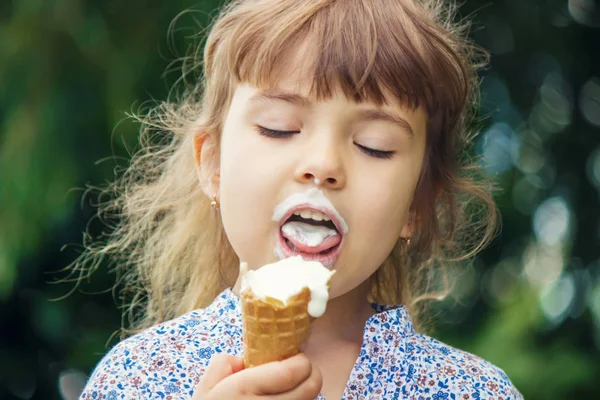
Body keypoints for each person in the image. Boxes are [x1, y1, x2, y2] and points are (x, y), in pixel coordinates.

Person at [76, 0, 523, 398]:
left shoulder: (474, 391)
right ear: (212, 164)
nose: (323, 164)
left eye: (374, 145)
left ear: (416, 205)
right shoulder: (135, 378)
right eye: (278, 127)